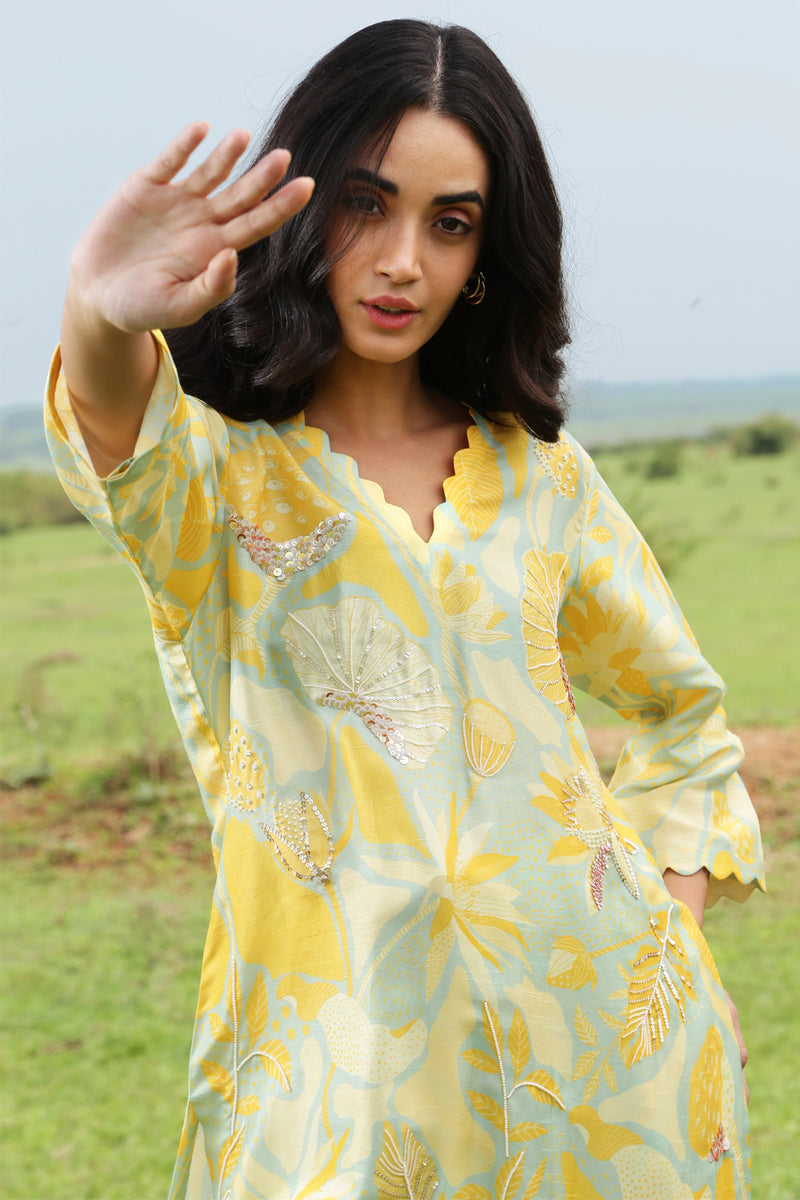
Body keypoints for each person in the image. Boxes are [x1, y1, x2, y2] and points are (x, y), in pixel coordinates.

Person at [46, 19, 763, 1199]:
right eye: (365, 206)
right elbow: (116, 425)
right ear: (300, 210)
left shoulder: (542, 481)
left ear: (486, 252)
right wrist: (99, 308)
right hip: (336, 1096)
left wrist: (673, 944)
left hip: (599, 1089)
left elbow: (682, 719)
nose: (401, 262)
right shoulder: (217, 483)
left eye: (449, 222)